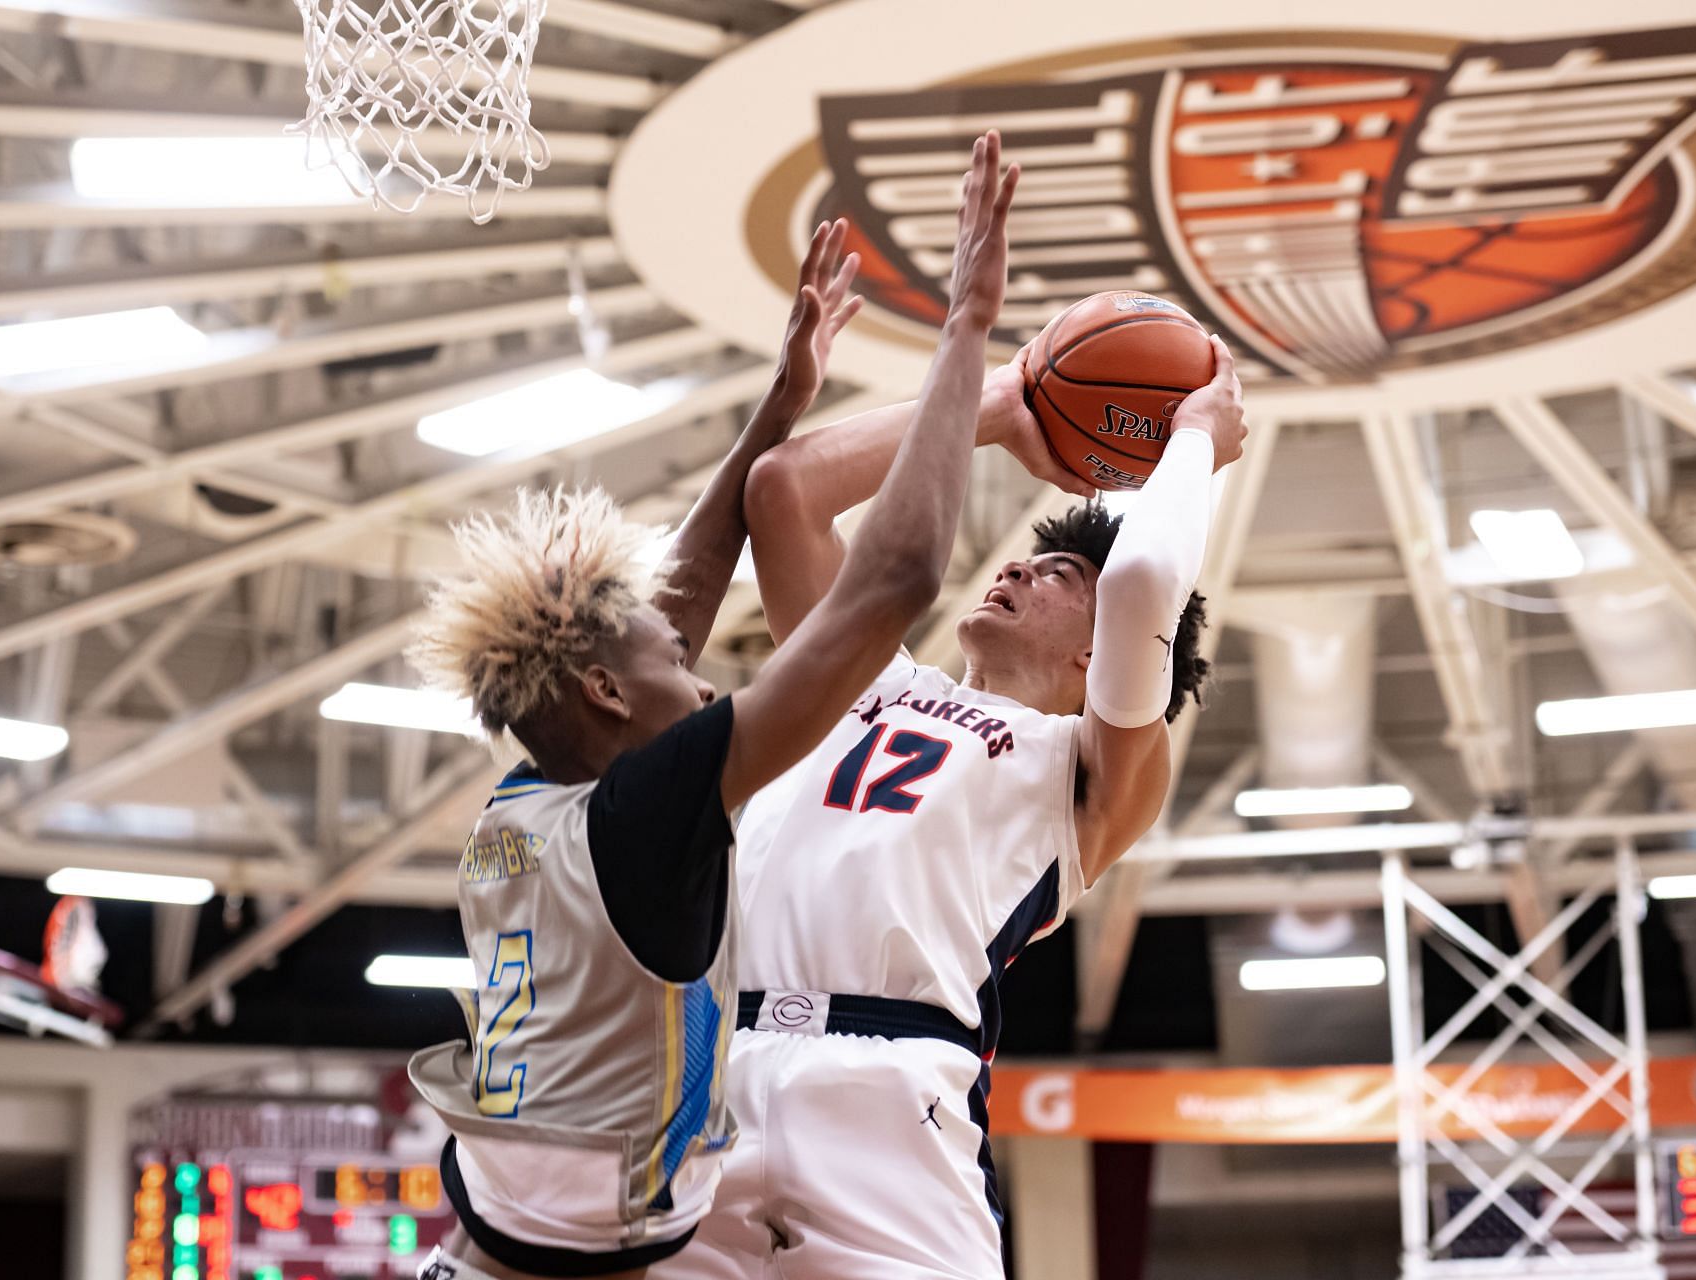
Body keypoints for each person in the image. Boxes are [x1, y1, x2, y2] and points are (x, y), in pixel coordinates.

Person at [405, 132, 1023, 1280]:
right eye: (674, 659)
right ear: (602, 688)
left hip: (505, 1234)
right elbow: (889, 584)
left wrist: (780, 407)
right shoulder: (646, 811)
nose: (701, 668)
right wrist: (966, 335)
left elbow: (660, 607)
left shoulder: (530, 799)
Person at [656, 322, 1249, 1276]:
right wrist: (1002, 405)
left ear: (1100, 658)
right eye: (1026, 560)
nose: (1013, 567)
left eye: (1057, 574)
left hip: (894, 1090)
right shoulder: (862, 679)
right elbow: (786, 491)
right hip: (713, 1072)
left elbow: (1143, 580)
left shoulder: (1090, 767)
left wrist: (1195, 444)